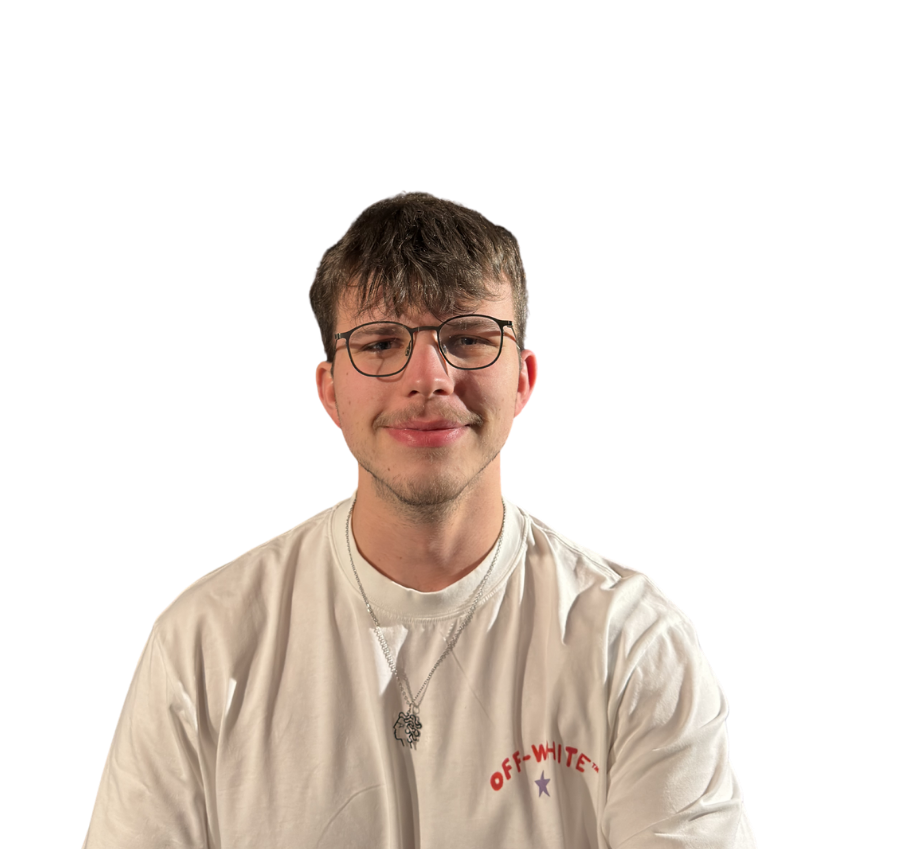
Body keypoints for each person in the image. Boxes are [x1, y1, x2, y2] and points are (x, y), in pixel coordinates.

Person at [82, 191, 755, 847]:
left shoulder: (632, 643)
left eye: (468, 337)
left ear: (525, 380)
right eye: (380, 342)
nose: (429, 377)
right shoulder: (203, 643)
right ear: (328, 395)